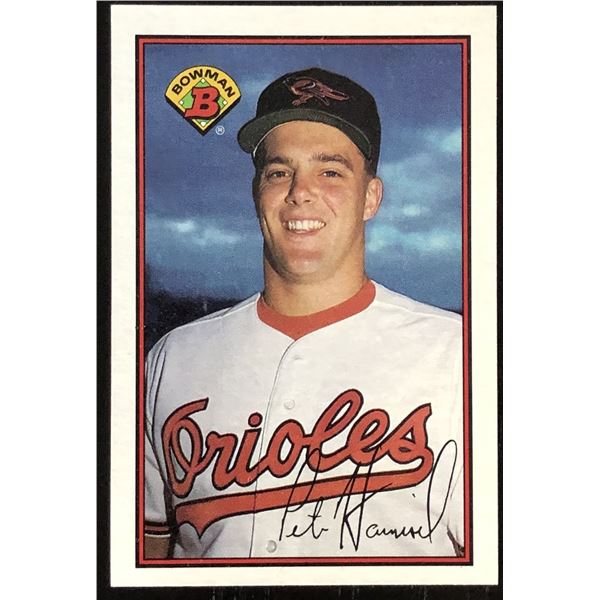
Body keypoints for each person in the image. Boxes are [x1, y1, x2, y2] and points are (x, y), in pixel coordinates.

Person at [144, 67, 464, 560]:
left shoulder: (459, 356)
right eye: (279, 172)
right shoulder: (172, 358)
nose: (300, 192)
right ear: (257, 193)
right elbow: (145, 550)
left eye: (330, 171)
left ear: (371, 198)